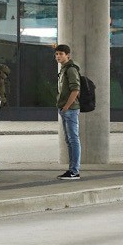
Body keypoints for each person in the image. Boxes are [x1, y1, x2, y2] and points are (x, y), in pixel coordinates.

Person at [51, 41, 84, 181]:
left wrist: (66, 107)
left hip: (70, 109)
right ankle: (71, 169)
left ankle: (74, 171)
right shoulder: (64, 68)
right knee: (69, 140)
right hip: (65, 108)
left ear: (67, 55)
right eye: (56, 54)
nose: (58, 56)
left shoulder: (70, 69)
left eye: (60, 54)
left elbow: (75, 89)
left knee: (73, 139)